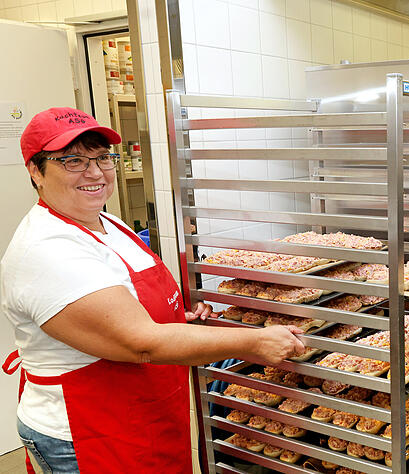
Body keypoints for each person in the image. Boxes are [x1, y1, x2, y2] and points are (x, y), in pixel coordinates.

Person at [0, 107, 306, 473]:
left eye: (102, 158)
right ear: (35, 170)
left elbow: (135, 308)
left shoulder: (108, 223)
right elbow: (141, 342)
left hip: (148, 416)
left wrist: (181, 318)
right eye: (73, 160)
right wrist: (255, 342)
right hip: (87, 433)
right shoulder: (48, 248)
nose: (95, 172)